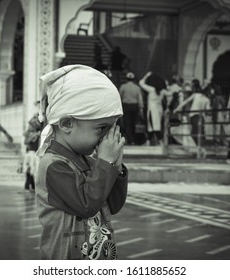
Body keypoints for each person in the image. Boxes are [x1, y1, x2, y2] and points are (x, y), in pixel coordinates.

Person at [35, 65, 128, 260]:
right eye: (101, 128)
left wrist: (116, 169)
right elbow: (86, 205)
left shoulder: (91, 162)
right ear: (67, 124)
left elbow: (114, 205)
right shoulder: (53, 165)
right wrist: (104, 163)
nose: (106, 138)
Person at [174, 79, 210, 148]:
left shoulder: (195, 95)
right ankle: (198, 148)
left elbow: (186, 101)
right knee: (198, 133)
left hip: (194, 115)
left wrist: (177, 109)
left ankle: (198, 149)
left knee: (194, 133)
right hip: (202, 117)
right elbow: (208, 111)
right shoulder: (206, 99)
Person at [139, 71, 167, 146]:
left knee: (153, 126)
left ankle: (160, 141)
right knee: (153, 126)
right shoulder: (162, 91)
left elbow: (141, 83)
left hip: (152, 110)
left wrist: (146, 76)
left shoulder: (151, 89)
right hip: (159, 110)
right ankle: (148, 141)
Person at [22, 102, 44, 192]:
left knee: (32, 169)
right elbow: (25, 142)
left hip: (34, 153)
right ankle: (29, 185)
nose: (30, 127)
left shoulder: (36, 134)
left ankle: (30, 185)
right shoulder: (32, 134)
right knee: (30, 169)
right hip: (31, 153)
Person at [119, 72, 144, 145]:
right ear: (133, 79)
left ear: (126, 79)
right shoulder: (137, 87)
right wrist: (141, 108)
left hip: (126, 106)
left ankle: (130, 139)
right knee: (133, 123)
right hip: (134, 106)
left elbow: (119, 97)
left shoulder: (123, 86)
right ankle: (132, 139)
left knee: (127, 123)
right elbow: (140, 99)